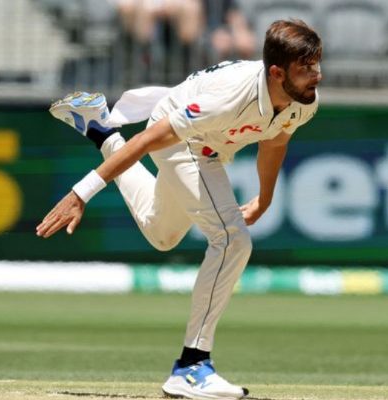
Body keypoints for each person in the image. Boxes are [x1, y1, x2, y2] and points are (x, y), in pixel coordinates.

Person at [36, 19, 322, 400]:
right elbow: (147, 140)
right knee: (233, 240)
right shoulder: (229, 99)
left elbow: (275, 141)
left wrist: (265, 198)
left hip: (208, 147)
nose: (316, 76)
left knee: (162, 234)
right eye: (306, 69)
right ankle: (191, 366)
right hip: (185, 141)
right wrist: (81, 193)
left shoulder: (303, 101)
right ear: (276, 72)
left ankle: (100, 130)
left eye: (317, 64)